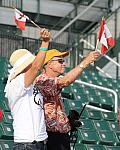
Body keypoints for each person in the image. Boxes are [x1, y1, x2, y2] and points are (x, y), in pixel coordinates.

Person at [35, 49, 100, 150]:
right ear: (49, 64)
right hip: (50, 137)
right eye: (60, 61)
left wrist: (68, 122)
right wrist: (86, 62)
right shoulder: (43, 80)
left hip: (60, 137)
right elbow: (65, 81)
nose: (64, 64)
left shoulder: (53, 82)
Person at [4, 28, 51, 150]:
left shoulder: (32, 83)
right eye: (32, 62)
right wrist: (45, 43)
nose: (35, 64)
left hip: (40, 141)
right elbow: (36, 68)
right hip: (27, 143)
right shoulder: (16, 82)